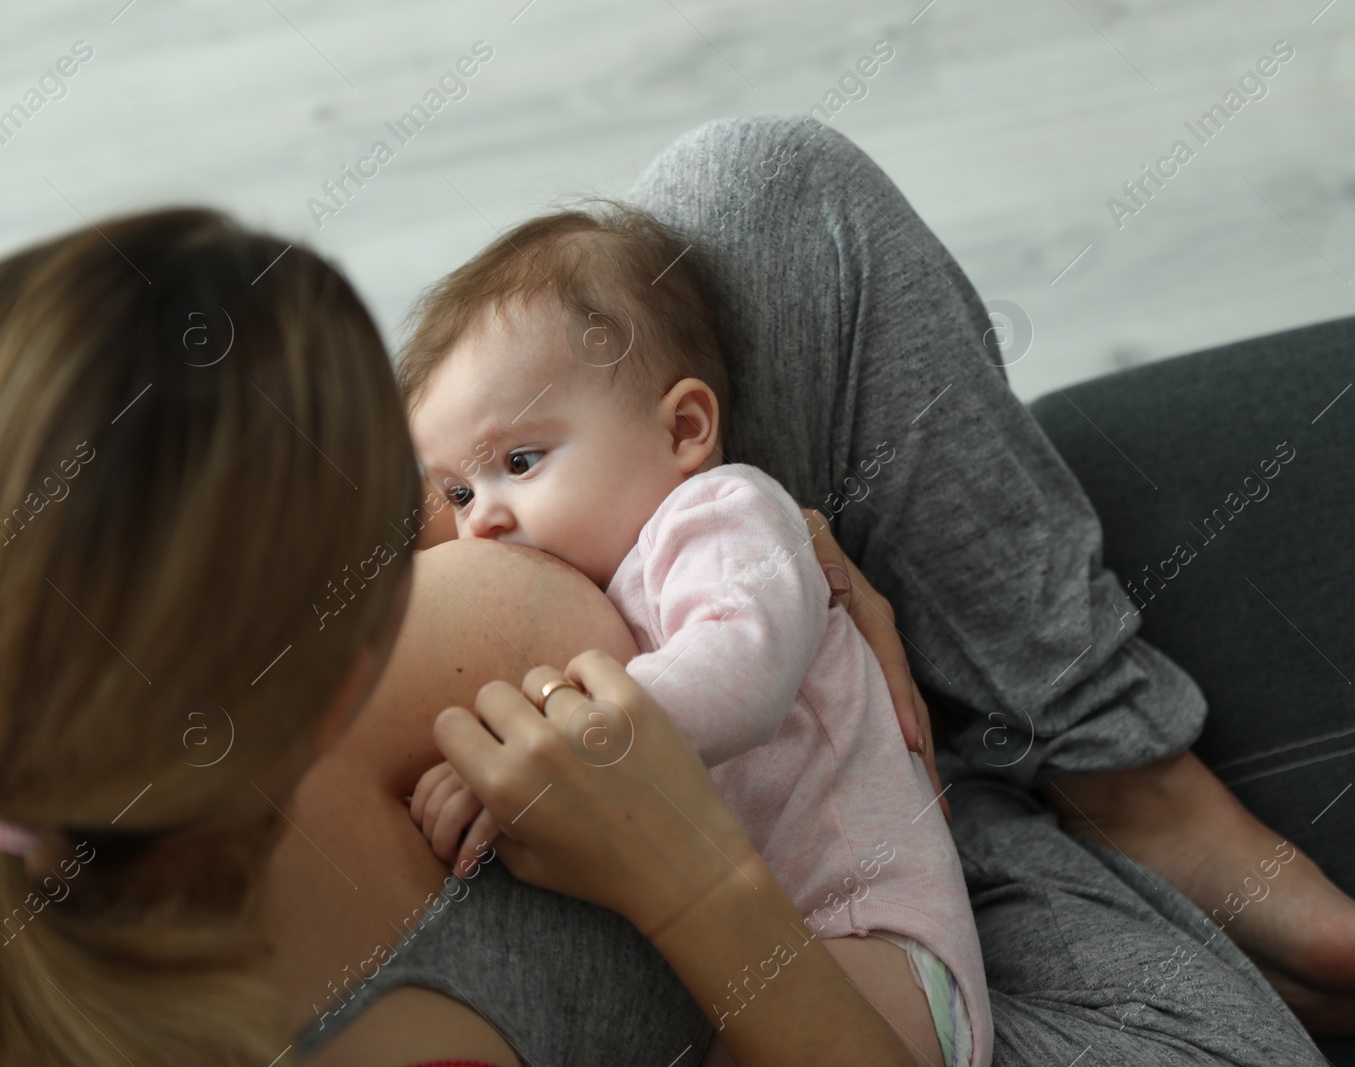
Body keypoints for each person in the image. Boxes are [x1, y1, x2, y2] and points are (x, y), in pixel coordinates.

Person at [0, 207, 921, 1067]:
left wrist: (724, 528)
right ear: (333, 684)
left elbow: (561, 356)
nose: (467, 525)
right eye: (442, 503)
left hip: (871, 834)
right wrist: (695, 888)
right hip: (906, 970)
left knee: (763, 185)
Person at [397, 203, 989, 1067]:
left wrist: (551, 750)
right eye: (456, 494)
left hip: (869, 942)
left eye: (519, 462)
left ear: (684, 430)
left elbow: (740, 669)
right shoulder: (608, 572)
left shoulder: (721, 514)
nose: (482, 518)